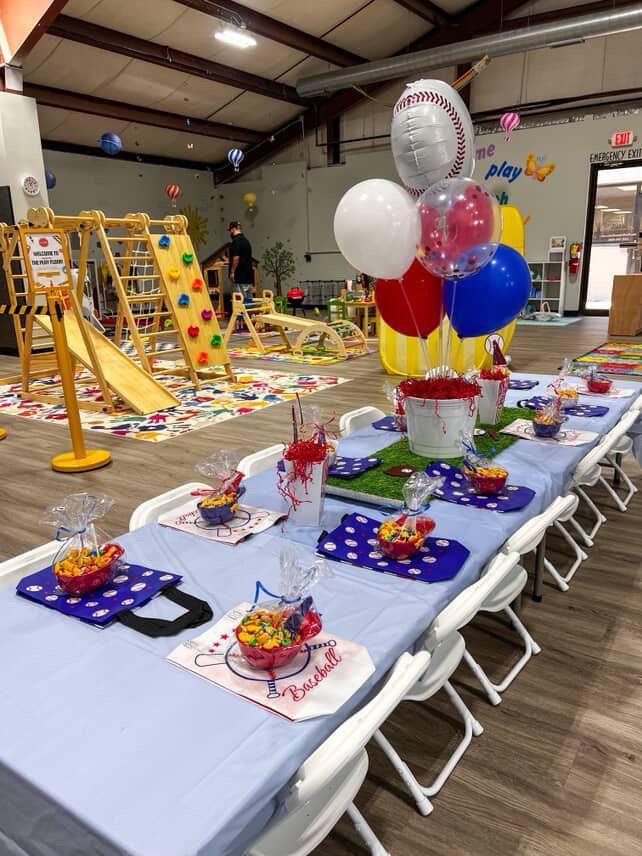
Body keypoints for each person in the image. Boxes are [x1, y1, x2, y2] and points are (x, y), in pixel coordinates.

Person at [227, 221, 254, 301]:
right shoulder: (246, 241)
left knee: (240, 302)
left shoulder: (236, 241)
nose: (230, 233)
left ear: (233, 229)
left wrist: (232, 272)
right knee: (249, 301)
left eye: (230, 231)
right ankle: (251, 314)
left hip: (239, 277)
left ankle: (242, 314)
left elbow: (236, 258)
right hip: (248, 277)